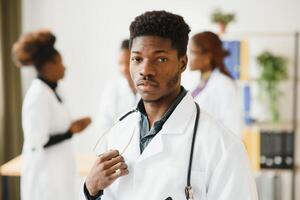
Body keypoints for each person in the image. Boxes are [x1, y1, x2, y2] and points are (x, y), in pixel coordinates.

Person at [82, 11, 258, 200]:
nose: (145, 70)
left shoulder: (223, 147)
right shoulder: (118, 131)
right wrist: (90, 191)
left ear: (182, 64)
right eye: (137, 59)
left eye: (161, 59)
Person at [12, 30, 91, 200]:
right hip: (44, 176)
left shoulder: (55, 90)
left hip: (59, 170)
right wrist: (70, 132)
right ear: (48, 66)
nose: (64, 67)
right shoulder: (37, 95)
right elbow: (37, 141)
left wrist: (73, 127)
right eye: (60, 63)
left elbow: (56, 125)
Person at [188, 31, 242, 136]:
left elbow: (233, 128)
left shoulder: (224, 85)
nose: (188, 57)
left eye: (192, 52)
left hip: (213, 149)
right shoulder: (197, 83)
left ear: (207, 57)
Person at [95, 39, 138, 135]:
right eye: (121, 63)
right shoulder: (112, 88)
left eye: (128, 62)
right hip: (117, 145)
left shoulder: (148, 87)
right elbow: (104, 124)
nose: (124, 68)